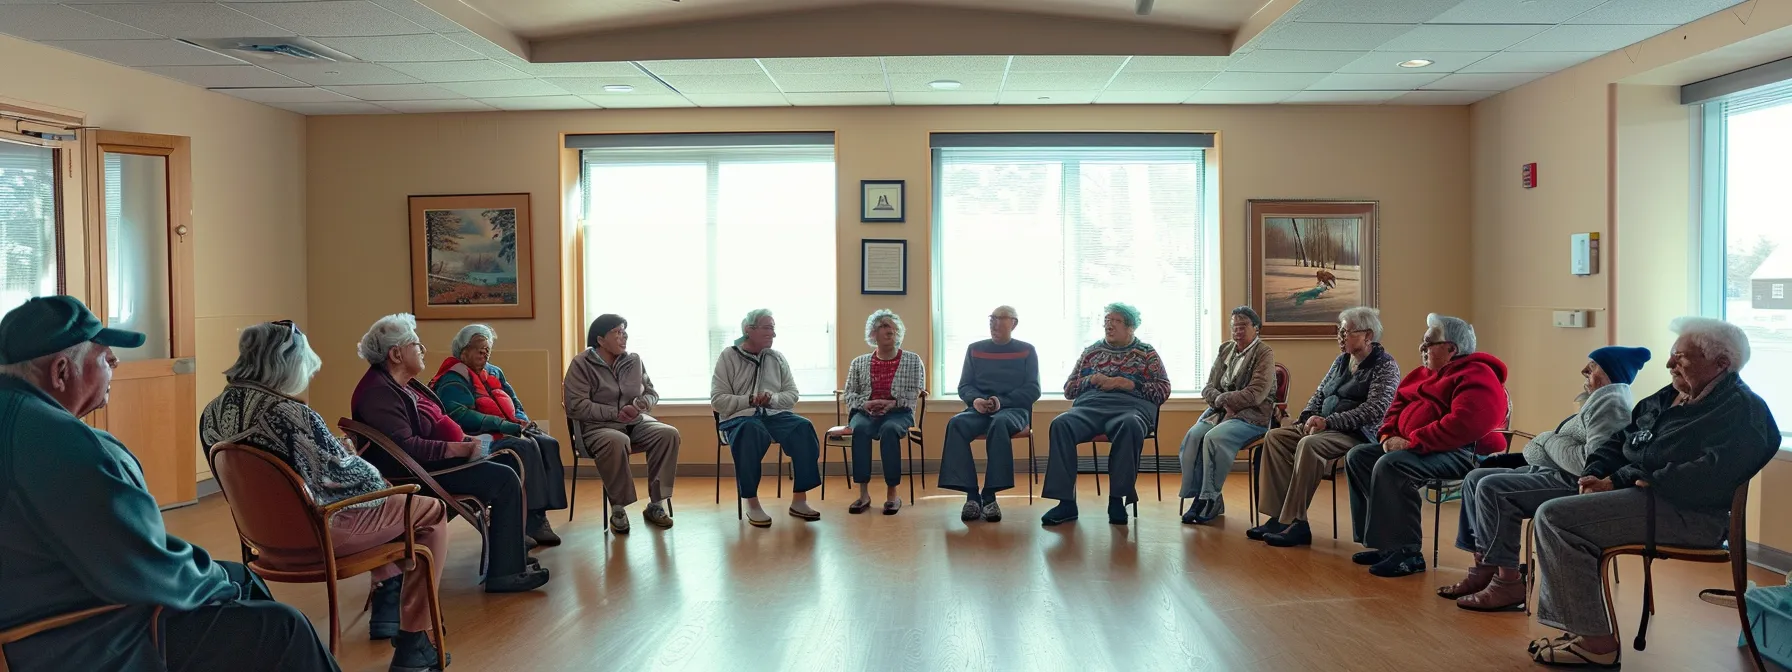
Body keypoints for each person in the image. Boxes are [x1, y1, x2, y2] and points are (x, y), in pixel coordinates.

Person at [0, 296, 339, 671]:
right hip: (79, 637)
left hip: (38, 602)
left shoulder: (16, 416)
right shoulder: (62, 446)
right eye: (103, 353)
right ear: (61, 371)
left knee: (240, 578)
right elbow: (142, 566)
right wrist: (217, 582)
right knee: (283, 628)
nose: (114, 361)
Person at [1528, 318, 1778, 667]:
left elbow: (1713, 471)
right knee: (1562, 512)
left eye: (1680, 357)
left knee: (1556, 517)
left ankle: (1596, 645)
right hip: (1650, 500)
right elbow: (1621, 440)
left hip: (1693, 516)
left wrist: (1629, 478)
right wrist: (1595, 472)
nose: (1669, 364)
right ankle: (1584, 630)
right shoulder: (1667, 397)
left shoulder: (1743, 409)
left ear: (1721, 363)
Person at [201, 320, 449, 666]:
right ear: (285, 364)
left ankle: (387, 600)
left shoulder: (211, 413)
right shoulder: (290, 412)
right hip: (319, 536)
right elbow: (362, 484)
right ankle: (415, 638)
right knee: (423, 508)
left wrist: (331, 452)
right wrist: (346, 454)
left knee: (392, 508)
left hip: (261, 541)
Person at [1438, 346, 1648, 612]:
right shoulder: (1599, 400)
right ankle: (1485, 566)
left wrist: (1548, 439)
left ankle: (1508, 582)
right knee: (1475, 478)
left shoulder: (1611, 403)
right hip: (1549, 473)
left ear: (1610, 374)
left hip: (1572, 484)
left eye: (1593, 366)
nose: (1584, 370)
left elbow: (1590, 465)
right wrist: (1554, 442)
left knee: (1493, 488)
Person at [351, 313, 548, 593]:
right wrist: (458, 447)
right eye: (416, 345)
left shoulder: (401, 384)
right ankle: (505, 573)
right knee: (504, 477)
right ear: (396, 353)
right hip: (422, 473)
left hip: (438, 463)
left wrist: (465, 440)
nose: (422, 351)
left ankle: (509, 557)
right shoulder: (379, 393)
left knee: (510, 460)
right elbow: (407, 448)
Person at [1347, 313, 1509, 578]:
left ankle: (1408, 553)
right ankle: (1386, 544)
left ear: (1451, 349)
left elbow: (1464, 424)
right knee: (1359, 457)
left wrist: (1414, 442)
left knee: (1394, 466)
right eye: (1422, 342)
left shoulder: (1478, 375)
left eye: (1428, 343)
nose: (1422, 348)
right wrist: (1388, 437)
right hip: (1422, 447)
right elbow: (1393, 409)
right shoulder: (1420, 375)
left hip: (1462, 452)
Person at [1252, 307, 1399, 547]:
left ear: (1368, 335)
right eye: (1339, 332)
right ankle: (1279, 517)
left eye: (1346, 332)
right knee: (1275, 437)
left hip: (1356, 433)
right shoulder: (1341, 360)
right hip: (1323, 425)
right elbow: (1320, 393)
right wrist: (1308, 417)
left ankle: (1297, 522)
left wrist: (1329, 422)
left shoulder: (1385, 366)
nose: (1340, 337)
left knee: (1309, 445)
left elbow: (1374, 410)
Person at [431, 324, 567, 544]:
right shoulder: (451, 379)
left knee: (548, 443)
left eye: (488, 349)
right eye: (479, 349)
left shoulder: (494, 372)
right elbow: (459, 415)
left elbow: (514, 401)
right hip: (478, 436)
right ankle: (525, 521)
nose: (485, 353)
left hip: (509, 427)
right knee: (525, 447)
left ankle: (539, 516)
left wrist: (521, 420)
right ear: (463, 351)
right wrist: (501, 425)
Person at [1040, 302, 1172, 527]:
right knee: (1061, 424)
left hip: (1130, 408)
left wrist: (1127, 383)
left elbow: (1162, 390)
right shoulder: (1091, 352)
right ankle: (1066, 503)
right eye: (1107, 321)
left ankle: (1117, 500)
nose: (1109, 326)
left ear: (1131, 327)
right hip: (1090, 407)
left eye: (1116, 321)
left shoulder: (1146, 353)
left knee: (1130, 425)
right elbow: (1069, 390)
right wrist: (1090, 380)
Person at [564, 314, 681, 532]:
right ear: (600, 340)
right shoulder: (581, 364)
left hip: (634, 422)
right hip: (597, 428)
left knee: (668, 433)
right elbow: (576, 406)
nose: (624, 335)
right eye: (617, 331)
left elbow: (652, 392)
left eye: (624, 331)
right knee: (616, 440)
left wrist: (638, 405)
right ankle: (618, 507)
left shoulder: (634, 360)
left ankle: (656, 504)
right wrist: (615, 413)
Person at [711, 308, 823, 527]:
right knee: (751, 431)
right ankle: (752, 503)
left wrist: (772, 398)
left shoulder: (777, 358)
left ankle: (799, 500)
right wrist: (749, 400)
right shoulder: (728, 356)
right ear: (748, 330)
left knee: (803, 428)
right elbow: (718, 400)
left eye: (773, 328)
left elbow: (792, 395)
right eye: (768, 328)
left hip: (775, 415)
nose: (773, 333)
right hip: (739, 418)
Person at [939, 305, 1039, 523]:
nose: (994, 323)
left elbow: (1033, 389)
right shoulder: (975, 349)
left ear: (1014, 323)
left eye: (1000, 319)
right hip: (979, 408)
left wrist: (1001, 401)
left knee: (999, 424)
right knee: (955, 424)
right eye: (991, 318)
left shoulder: (1027, 350)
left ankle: (990, 496)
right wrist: (975, 400)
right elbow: (964, 386)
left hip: (1012, 410)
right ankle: (971, 496)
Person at [1179, 306, 1275, 524]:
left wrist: (1229, 401)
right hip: (1220, 412)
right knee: (1193, 437)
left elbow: (1256, 394)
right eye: (1234, 326)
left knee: (1214, 438)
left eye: (1243, 326)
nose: (1237, 331)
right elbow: (1208, 388)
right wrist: (1222, 401)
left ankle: (1210, 498)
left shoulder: (1264, 353)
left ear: (1256, 329)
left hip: (1251, 416)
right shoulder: (1225, 349)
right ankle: (1199, 497)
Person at [840, 310, 925, 515]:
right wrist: (866, 404)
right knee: (859, 429)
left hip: (899, 413)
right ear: (873, 333)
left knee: (889, 430)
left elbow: (916, 392)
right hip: (865, 412)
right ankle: (863, 495)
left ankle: (892, 494)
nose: (891, 331)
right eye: (885, 327)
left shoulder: (913, 360)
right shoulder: (858, 362)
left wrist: (892, 403)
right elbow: (849, 393)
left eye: (894, 328)